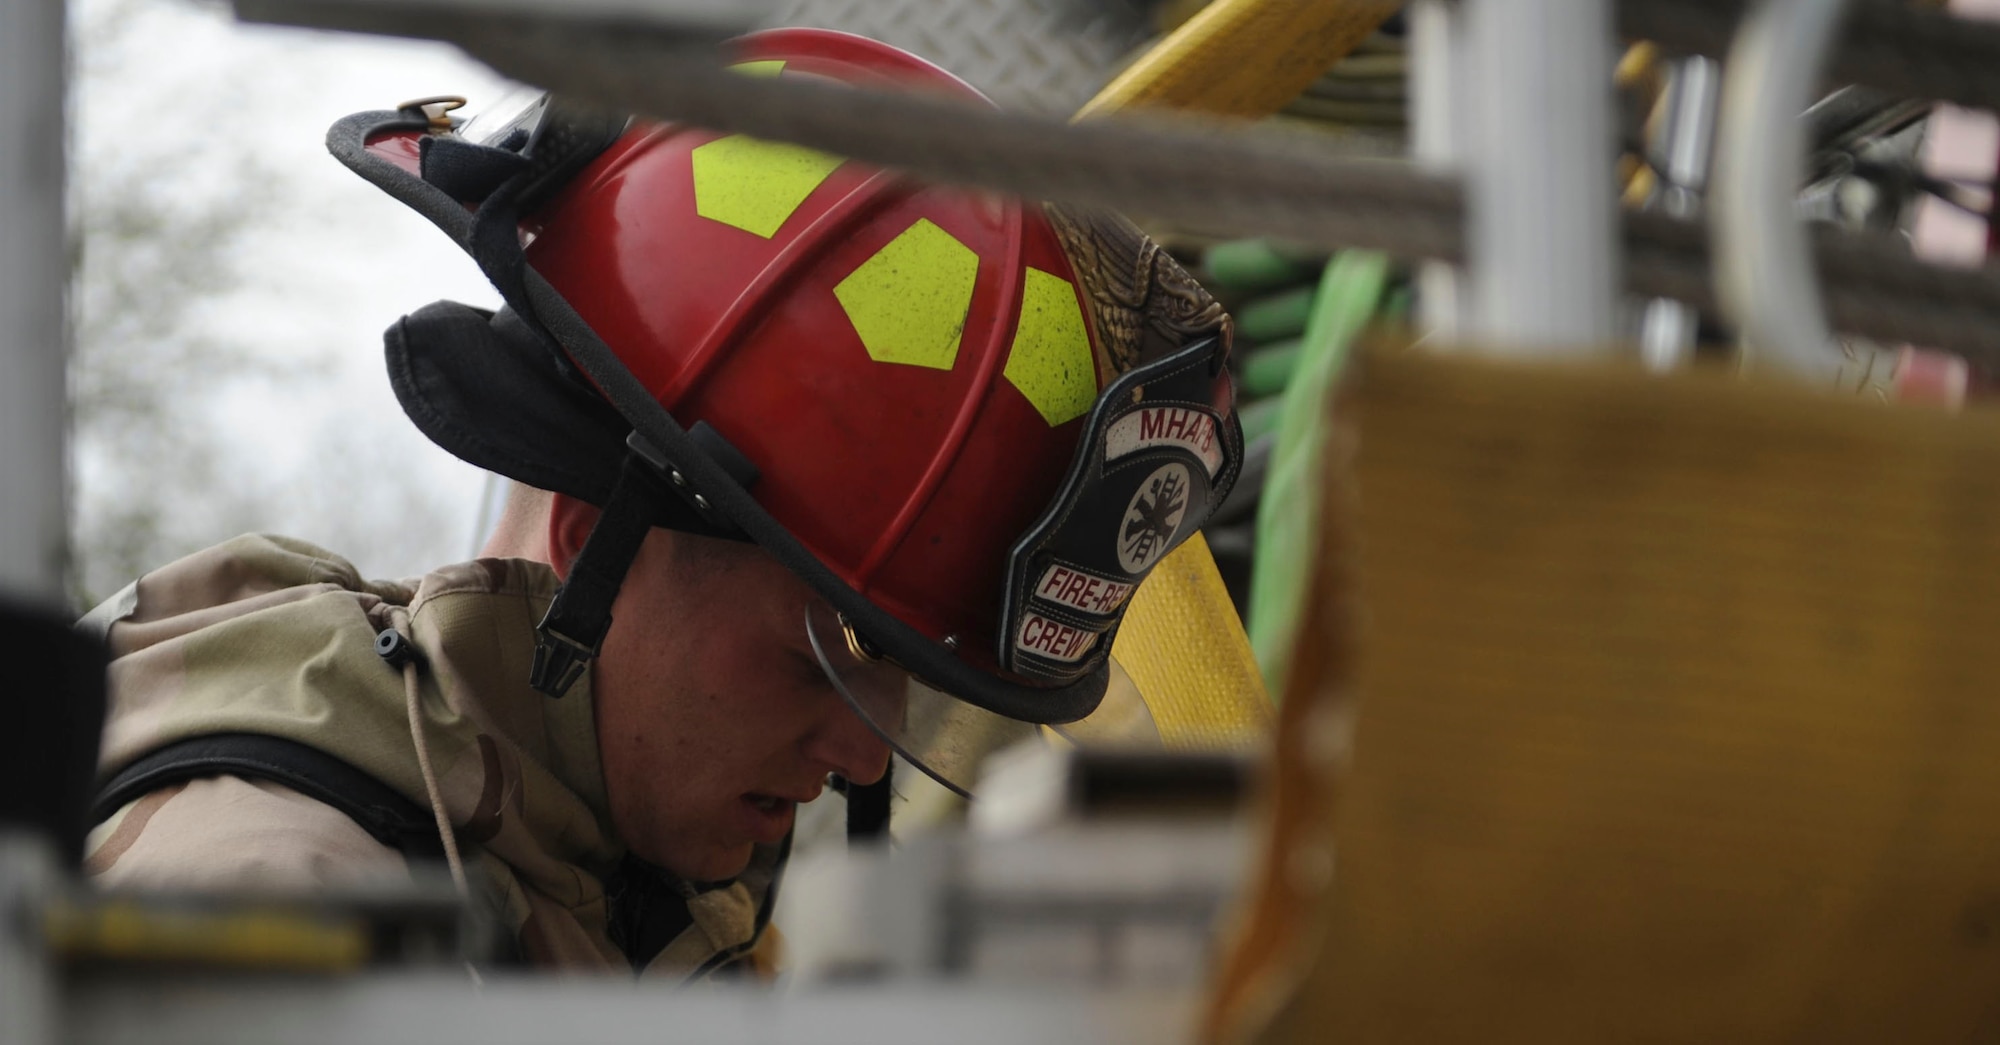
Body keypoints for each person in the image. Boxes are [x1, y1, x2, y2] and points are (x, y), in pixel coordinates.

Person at [78, 28, 1243, 977]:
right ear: (594, 545)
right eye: (826, 648)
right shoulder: (285, 913)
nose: (854, 750)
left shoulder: (607, 885)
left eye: (899, 669)